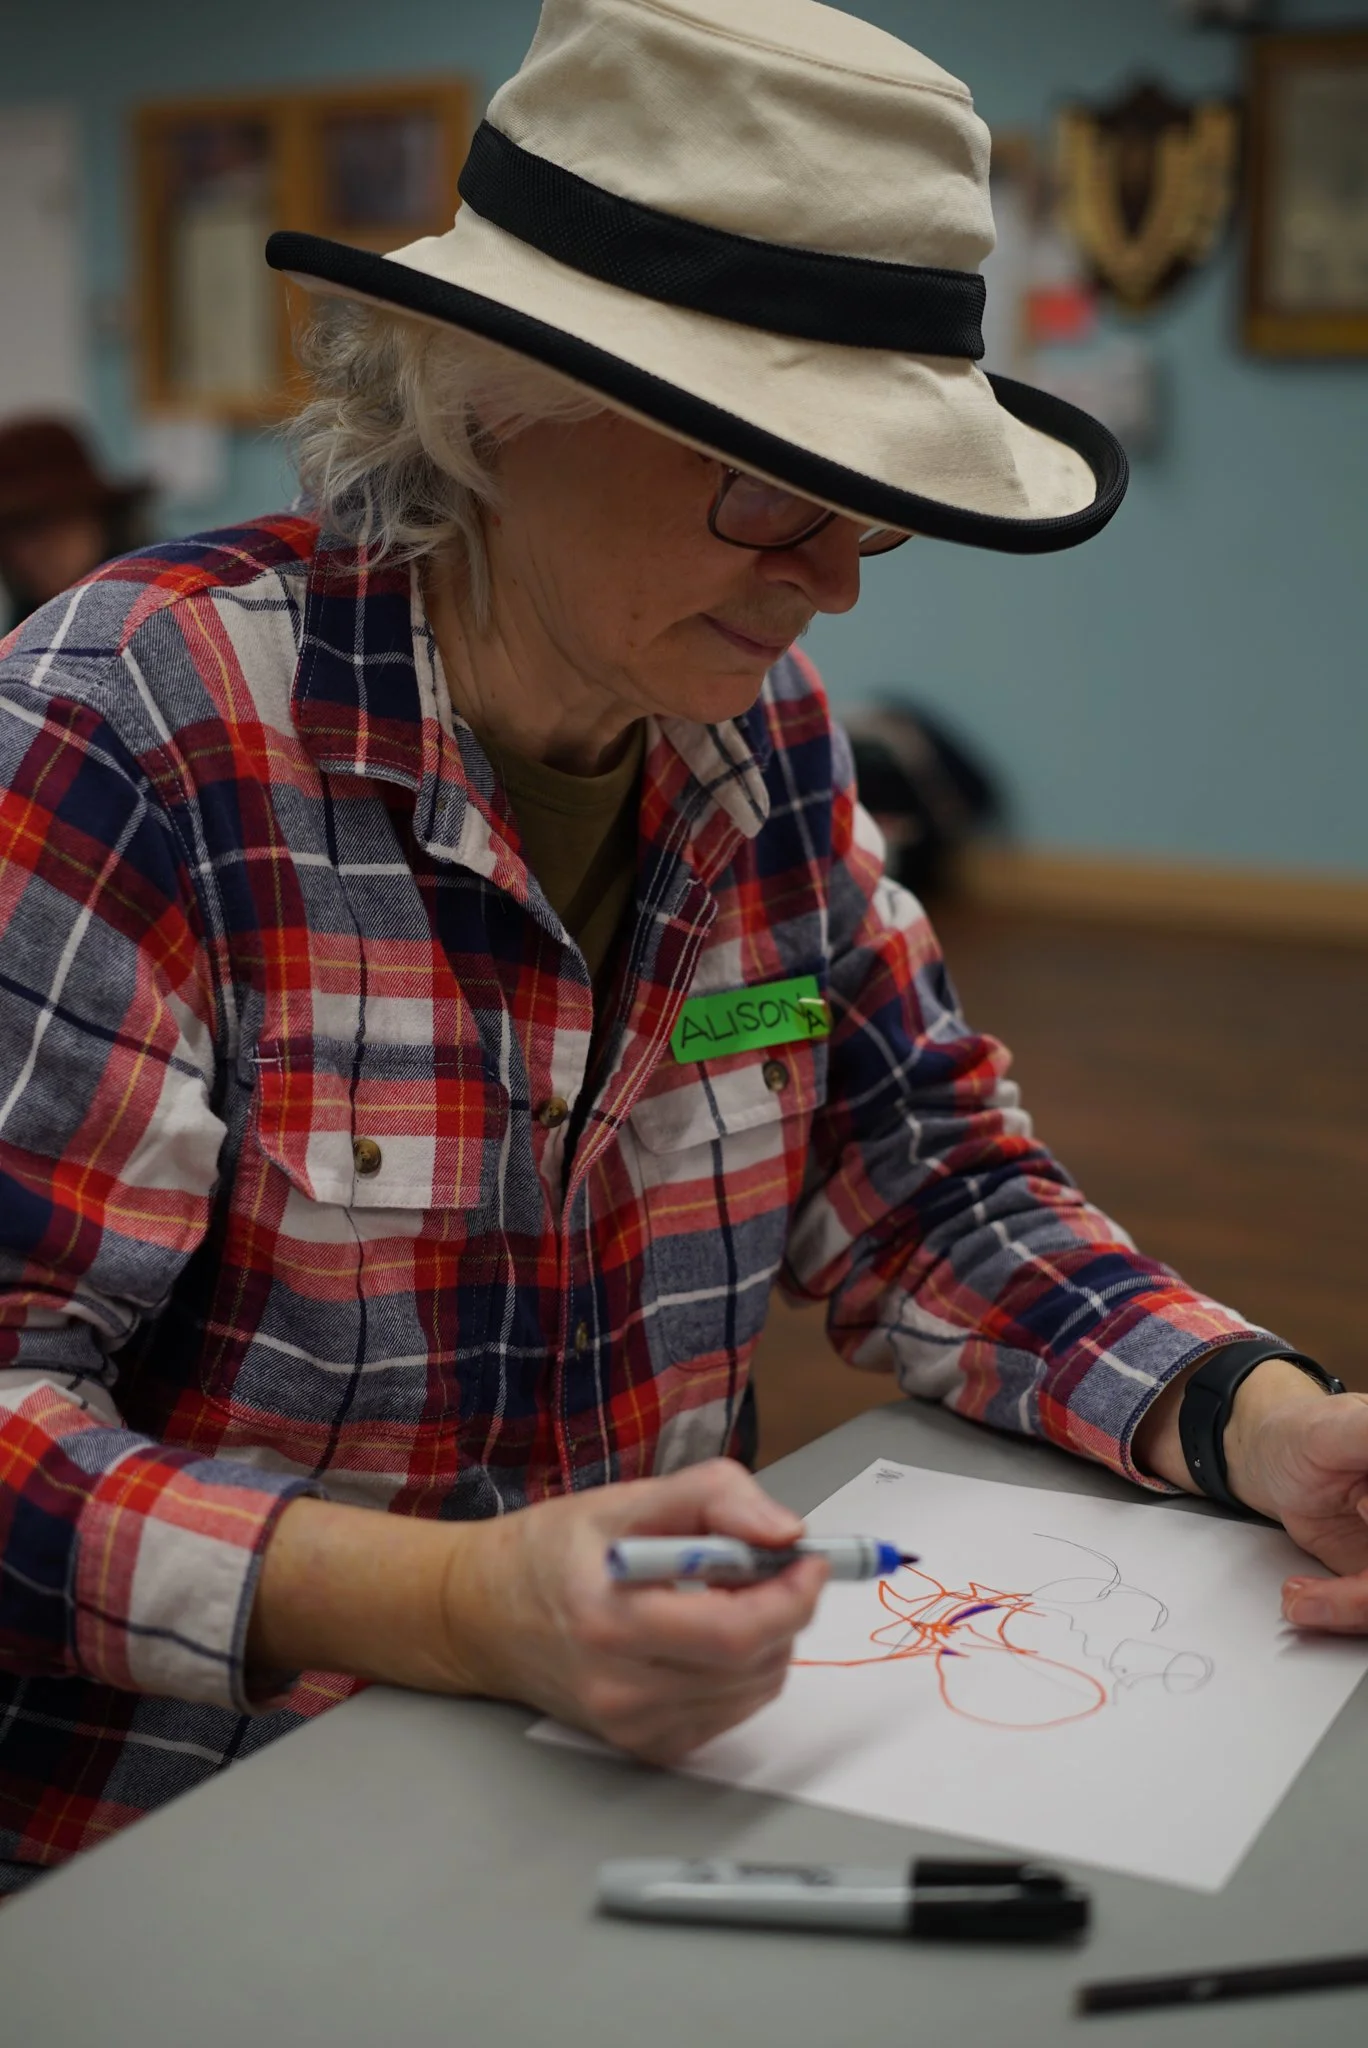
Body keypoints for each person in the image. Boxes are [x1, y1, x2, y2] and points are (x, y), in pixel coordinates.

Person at [1, 0, 1365, 1897]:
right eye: (775, 488)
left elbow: (929, 1188)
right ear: (493, 402)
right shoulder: (127, 739)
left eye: (874, 510)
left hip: (639, 1794)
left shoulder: (762, 745)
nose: (836, 580)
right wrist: (459, 1601)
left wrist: (1269, 1423)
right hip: (183, 1853)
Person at [0, 416, 148, 630]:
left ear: (99, 516)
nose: (33, 551)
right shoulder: (22, 631)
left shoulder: (160, 603)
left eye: (52, 521)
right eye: (14, 532)